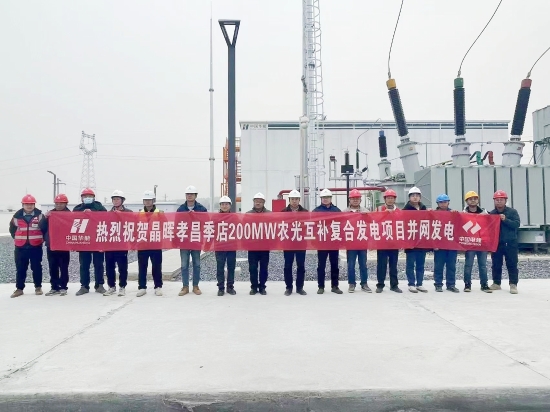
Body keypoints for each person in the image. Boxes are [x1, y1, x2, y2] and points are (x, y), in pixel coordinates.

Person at [9, 195, 47, 298]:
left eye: (31, 204)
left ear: (34, 205)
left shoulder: (40, 216)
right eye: (27, 204)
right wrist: (18, 239)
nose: (29, 206)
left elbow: (44, 229)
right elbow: (12, 230)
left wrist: (40, 240)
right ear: (23, 205)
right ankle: (19, 289)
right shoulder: (16, 217)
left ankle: (38, 287)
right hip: (20, 247)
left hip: (36, 246)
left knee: (37, 267)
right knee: (20, 268)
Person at [73, 188, 107, 296]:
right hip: (84, 241)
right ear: (82, 198)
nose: (87, 198)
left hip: (97, 240)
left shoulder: (100, 208)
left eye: (90, 196)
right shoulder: (77, 209)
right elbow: (71, 222)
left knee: (99, 264)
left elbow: (106, 219)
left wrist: (93, 214)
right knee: (84, 265)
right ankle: (84, 286)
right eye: (85, 196)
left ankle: (99, 285)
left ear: (93, 198)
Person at [177, 185, 208, 296]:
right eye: (188, 194)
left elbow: (206, 224)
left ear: (195, 196)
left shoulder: (201, 209)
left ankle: (195, 286)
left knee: (197, 264)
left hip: (196, 240)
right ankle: (185, 287)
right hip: (184, 241)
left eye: (191, 194)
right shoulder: (181, 209)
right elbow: (176, 225)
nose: (189, 196)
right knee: (184, 265)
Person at [489, 190, 520, 294]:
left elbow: (516, 224)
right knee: (496, 264)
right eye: (497, 200)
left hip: (510, 243)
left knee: (512, 263)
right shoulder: (492, 213)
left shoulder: (512, 212)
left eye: (501, 200)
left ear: (505, 201)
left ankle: (513, 284)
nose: (499, 202)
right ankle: (496, 283)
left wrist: (505, 219)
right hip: (496, 243)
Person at [313, 188, 343, 294]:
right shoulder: (316, 211)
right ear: (321, 199)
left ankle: (335, 286)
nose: (325, 199)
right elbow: (313, 227)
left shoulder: (337, 210)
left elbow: (342, 225)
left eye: (327, 197)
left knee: (334, 265)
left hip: (334, 242)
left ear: (331, 198)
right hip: (322, 243)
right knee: (321, 265)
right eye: (323, 197)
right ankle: (321, 286)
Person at [104, 190, 132, 297]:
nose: (115, 201)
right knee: (109, 267)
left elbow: (132, 226)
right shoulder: (108, 214)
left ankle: (122, 286)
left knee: (122, 267)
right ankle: (111, 286)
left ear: (122, 200)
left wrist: (122, 216)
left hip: (122, 245)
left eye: (118, 199)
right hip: (110, 245)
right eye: (114, 199)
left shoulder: (128, 213)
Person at [462, 191, 492, 293]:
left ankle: (484, 285)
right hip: (470, 243)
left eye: (475, 198)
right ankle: (467, 285)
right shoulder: (463, 214)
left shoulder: (485, 213)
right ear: (466, 201)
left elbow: (491, 224)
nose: (473, 200)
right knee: (468, 265)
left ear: (478, 200)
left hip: (482, 243)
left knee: (483, 265)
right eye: (470, 199)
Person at [136, 190, 164, 297]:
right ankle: (142, 287)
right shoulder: (139, 213)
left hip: (155, 244)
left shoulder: (159, 212)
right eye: (145, 200)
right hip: (142, 244)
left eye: (149, 200)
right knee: (142, 267)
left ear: (153, 200)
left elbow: (165, 226)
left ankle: (158, 286)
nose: (147, 202)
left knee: (156, 266)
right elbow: (135, 228)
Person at [44, 194, 71, 296]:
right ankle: (54, 287)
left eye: (61, 203)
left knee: (64, 267)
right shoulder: (50, 214)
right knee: (53, 266)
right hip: (51, 245)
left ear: (66, 204)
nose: (59, 205)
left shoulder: (70, 215)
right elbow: (42, 227)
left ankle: (63, 287)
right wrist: (45, 218)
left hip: (64, 245)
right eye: (57, 203)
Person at [281, 189, 308, 296]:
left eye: (296, 199)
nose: (294, 201)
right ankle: (289, 287)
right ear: (289, 200)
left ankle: (300, 288)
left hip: (301, 243)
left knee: (301, 266)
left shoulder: (305, 212)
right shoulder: (283, 212)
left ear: (299, 200)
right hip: (288, 243)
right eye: (292, 199)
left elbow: (309, 226)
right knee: (288, 266)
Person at [375, 189, 402, 293]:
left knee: (393, 265)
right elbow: (373, 221)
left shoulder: (399, 211)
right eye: (388, 198)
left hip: (394, 242)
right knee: (381, 265)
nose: (390, 200)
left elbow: (402, 224)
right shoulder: (379, 209)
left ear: (394, 199)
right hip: (382, 242)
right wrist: (383, 214)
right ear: (385, 199)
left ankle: (394, 285)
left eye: (392, 198)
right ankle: (380, 285)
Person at [403, 186, 428, 293]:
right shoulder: (405, 210)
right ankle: (411, 284)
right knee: (410, 264)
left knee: (420, 264)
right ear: (409, 197)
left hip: (422, 241)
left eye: (417, 195)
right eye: (413, 195)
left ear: (420, 197)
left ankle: (420, 284)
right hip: (410, 241)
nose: (415, 197)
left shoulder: (424, 209)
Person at [345, 189, 371, 293]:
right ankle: (351, 284)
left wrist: (367, 217)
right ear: (349, 200)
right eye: (353, 198)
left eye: (357, 198)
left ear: (360, 200)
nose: (355, 200)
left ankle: (364, 284)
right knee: (351, 265)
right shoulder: (344, 212)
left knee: (363, 264)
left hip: (362, 242)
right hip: (350, 243)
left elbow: (372, 224)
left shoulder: (366, 211)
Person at [433, 194, 459, 293]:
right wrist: (434, 244)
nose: (443, 204)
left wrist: (456, 214)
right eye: (441, 202)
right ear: (437, 203)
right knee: (438, 266)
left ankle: (451, 285)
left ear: (448, 203)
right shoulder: (433, 214)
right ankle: (438, 284)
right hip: (439, 245)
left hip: (451, 244)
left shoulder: (453, 214)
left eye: (445, 202)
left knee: (451, 266)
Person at [247, 193, 271, 295]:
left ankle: (262, 287)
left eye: (260, 201)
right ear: (253, 202)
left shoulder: (270, 214)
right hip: (252, 246)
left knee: (264, 268)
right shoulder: (248, 214)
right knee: (252, 268)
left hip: (265, 246)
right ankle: (254, 287)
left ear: (263, 202)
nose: (258, 203)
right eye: (256, 201)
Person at [215, 196, 237, 296]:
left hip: (231, 246)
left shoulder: (234, 217)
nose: (224, 206)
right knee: (220, 267)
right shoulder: (215, 217)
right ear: (220, 206)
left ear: (230, 205)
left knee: (231, 267)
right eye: (222, 204)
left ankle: (230, 287)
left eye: (226, 204)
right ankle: (221, 288)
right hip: (219, 246)